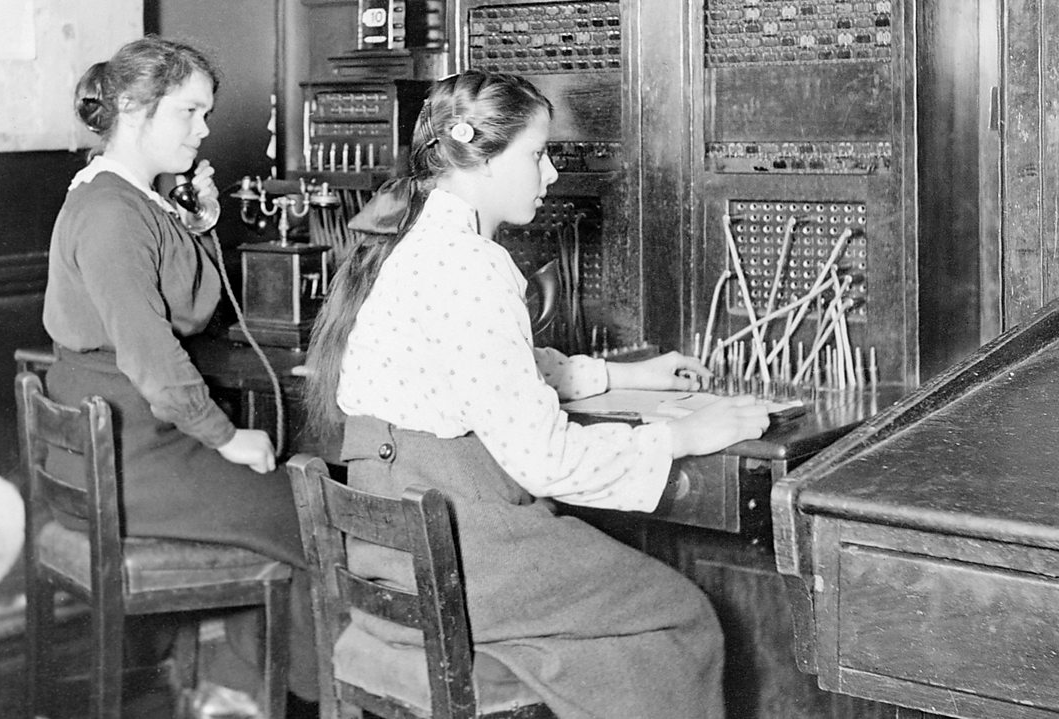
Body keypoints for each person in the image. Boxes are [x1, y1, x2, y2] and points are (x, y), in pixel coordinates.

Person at [303, 70, 771, 718]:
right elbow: (546, 459)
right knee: (681, 618)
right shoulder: (472, 264)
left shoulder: (408, 244)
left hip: (393, 552)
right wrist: (683, 435)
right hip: (464, 542)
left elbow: (496, 369)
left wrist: (624, 376)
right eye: (536, 154)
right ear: (483, 160)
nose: (549, 174)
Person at [41, 35, 316, 704]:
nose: (204, 128)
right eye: (189, 112)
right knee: (309, 513)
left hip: (117, 440)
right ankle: (303, 691)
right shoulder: (111, 212)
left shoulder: (130, 198)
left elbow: (174, 303)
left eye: (206, 113)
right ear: (135, 110)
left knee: (291, 504)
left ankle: (241, 686)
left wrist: (200, 223)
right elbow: (151, 357)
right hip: (129, 455)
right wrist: (226, 436)